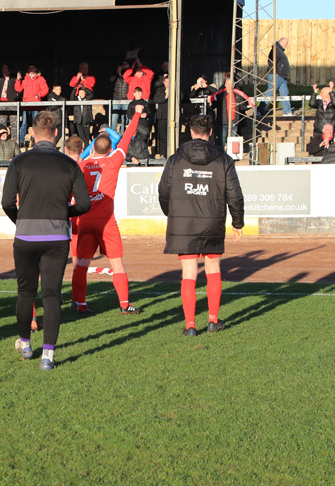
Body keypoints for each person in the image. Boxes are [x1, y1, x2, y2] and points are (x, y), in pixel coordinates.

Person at [1, 110, 90, 370]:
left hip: (26, 235)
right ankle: (48, 356)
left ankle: (25, 344)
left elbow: (7, 202)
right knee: (51, 295)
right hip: (57, 236)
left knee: (25, 292)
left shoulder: (19, 162)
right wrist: (66, 213)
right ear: (56, 135)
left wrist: (21, 220)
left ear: (32, 133)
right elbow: (84, 204)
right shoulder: (70, 164)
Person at [158, 115, 245, 336]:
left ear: (190, 131)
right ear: (211, 132)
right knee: (213, 269)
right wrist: (238, 222)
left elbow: (163, 192)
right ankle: (213, 320)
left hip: (184, 224)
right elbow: (235, 195)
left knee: (189, 273)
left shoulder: (175, 159)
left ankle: (190, 326)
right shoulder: (224, 159)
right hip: (212, 222)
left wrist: (173, 214)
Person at [70, 107, 144, 315]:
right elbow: (128, 135)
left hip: (84, 218)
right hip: (106, 221)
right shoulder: (114, 161)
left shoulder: (81, 165)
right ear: (110, 148)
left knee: (81, 264)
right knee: (117, 263)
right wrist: (137, 113)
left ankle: (79, 303)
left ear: (93, 148)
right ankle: (124, 304)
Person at [209, 77, 254, 149]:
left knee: (233, 142)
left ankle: (231, 157)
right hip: (223, 121)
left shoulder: (237, 94)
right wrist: (210, 103)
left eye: (231, 84)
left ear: (234, 85)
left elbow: (242, 107)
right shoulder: (220, 95)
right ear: (225, 85)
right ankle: (222, 156)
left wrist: (250, 105)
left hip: (234, 121)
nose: (229, 86)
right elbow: (214, 105)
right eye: (228, 84)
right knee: (222, 141)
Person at [257, 37, 293, 117]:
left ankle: (287, 111)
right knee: (270, 92)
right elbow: (271, 61)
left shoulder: (280, 51)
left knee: (284, 93)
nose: (287, 45)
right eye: (286, 43)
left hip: (282, 76)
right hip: (276, 75)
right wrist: (275, 71)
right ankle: (259, 110)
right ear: (282, 43)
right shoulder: (275, 50)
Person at [15, 64, 49, 143]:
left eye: (32, 68)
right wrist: (18, 80)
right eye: (29, 68)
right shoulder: (25, 79)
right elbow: (18, 89)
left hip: (36, 104)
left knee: (35, 123)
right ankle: (21, 141)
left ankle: (34, 139)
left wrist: (39, 95)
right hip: (26, 104)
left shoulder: (40, 79)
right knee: (24, 123)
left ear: (36, 69)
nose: (31, 70)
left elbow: (46, 89)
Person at [69, 62, 96, 144]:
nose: (84, 70)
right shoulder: (76, 77)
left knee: (86, 122)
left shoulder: (91, 77)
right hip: (78, 100)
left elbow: (92, 84)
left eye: (86, 68)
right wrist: (77, 78)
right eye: (83, 68)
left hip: (87, 98)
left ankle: (87, 143)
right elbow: (71, 84)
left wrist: (84, 81)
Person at [0, 64, 20, 138]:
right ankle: (2, 137)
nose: (5, 69)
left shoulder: (14, 78)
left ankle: (14, 138)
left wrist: (16, 96)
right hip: (2, 103)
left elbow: (19, 87)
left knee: (14, 122)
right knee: (2, 122)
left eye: (7, 68)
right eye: (4, 68)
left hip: (12, 102)